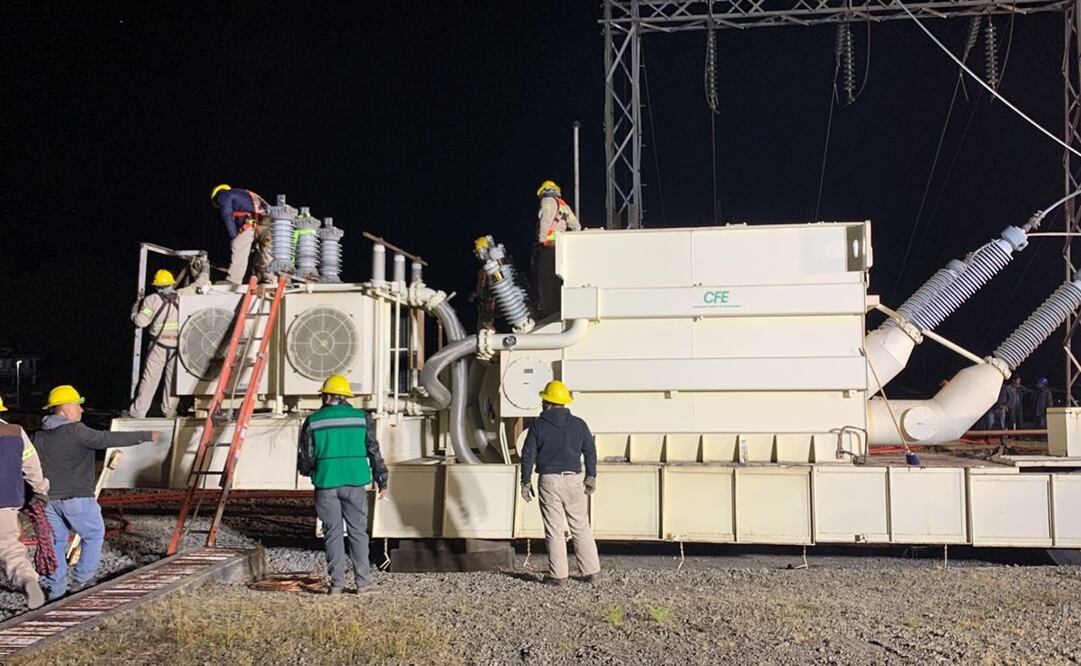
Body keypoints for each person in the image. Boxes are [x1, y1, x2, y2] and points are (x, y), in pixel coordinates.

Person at [32, 385, 158, 600]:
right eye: (78, 405)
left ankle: (56, 589)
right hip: (77, 498)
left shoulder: (39, 436)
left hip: (48, 501)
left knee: (56, 542)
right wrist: (146, 435)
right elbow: (106, 439)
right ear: (65, 408)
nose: (81, 410)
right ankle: (82, 581)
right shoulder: (76, 431)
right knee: (93, 534)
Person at [298, 375, 389, 595]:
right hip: (354, 482)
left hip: (326, 483)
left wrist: (309, 471)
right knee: (358, 532)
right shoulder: (361, 418)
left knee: (333, 533)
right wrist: (382, 479)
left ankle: (337, 585)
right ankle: (363, 584)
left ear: (327, 396)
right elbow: (373, 451)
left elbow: (306, 457)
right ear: (346, 397)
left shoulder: (314, 421)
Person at [519, 380, 601, 585]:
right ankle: (592, 573)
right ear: (564, 403)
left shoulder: (537, 426)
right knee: (581, 526)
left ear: (547, 402)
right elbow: (590, 451)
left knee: (554, 529)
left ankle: (558, 577)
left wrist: (525, 481)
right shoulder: (579, 424)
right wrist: (591, 476)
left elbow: (528, 455)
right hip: (574, 479)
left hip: (549, 481)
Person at [126, 262, 208, 419]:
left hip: (159, 345)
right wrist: (204, 268)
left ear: (157, 286)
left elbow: (141, 322)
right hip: (178, 346)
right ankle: (169, 412)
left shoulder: (152, 300)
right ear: (171, 283)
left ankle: (138, 413)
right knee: (173, 382)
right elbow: (201, 283)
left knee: (149, 380)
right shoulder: (183, 295)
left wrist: (135, 310)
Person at [0, 395, 50, 609]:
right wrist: (41, 489)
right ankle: (27, 579)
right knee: (9, 548)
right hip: (6, 502)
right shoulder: (15, 432)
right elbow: (31, 465)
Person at [531, 180, 580, 319]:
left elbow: (545, 220)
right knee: (557, 282)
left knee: (545, 283)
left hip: (548, 248)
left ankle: (548, 314)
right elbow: (576, 226)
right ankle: (558, 312)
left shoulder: (547, 201)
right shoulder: (564, 206)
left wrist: (541, 239)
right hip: (560, 248)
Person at [210, 184, 270, 285]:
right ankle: (269, 279)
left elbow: (227, 215)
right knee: (267, 250)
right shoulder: (246, 193)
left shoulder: (224, 195)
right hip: (270, 223)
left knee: (238, 244)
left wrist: (234, 236)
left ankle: (234, 280)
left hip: (253, 223)